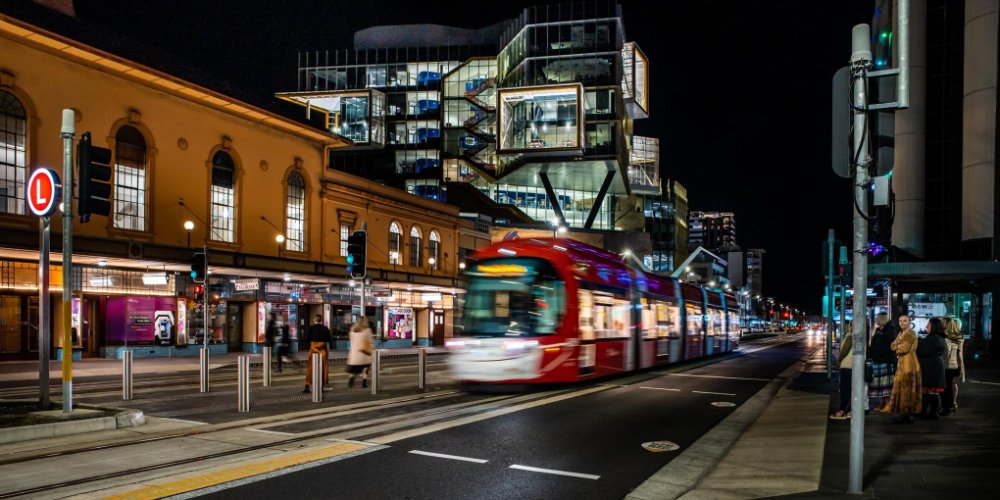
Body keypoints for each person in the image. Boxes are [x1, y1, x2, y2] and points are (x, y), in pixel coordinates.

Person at [887, 314, 921, 423]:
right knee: (903, 387)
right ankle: (904, 412)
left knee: (907, 387)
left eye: (905, 321)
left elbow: (903, 349)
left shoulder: (910, 333)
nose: (902, 323)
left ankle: (907, 412)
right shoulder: (901, 333)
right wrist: (896, 345)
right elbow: (892, 346)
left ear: (909, 322)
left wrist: (896, 345)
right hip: (902, 362)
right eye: (900, 321)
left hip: (909, 362)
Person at [916, 317, 947, 419]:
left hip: (931, 368)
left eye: (928, 325)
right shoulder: (939, 337)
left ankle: (931, 413)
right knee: (927, 391)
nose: (926, 327)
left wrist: (919, 343)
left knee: (931, 391)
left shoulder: (934, 338)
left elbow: (923, 351)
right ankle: (927, 412)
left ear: (933, 326)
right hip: (932, 367)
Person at [869, 313, 898, 412]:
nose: (876, 320)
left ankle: (888, 404)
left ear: (882, 319)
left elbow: (890, 347)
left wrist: (878, 354)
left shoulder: (889, 330)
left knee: (886, 385)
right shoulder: (879, 330)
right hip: (879, 360)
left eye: (878, 318)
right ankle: (882, 403)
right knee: (880, 385)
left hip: (886, 361)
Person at [941, 317, 966, 415]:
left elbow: (946, 354)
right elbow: (960, 353)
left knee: (946, 387)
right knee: (953, 384)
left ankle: (949, 406)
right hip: (957, 364)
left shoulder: (946, 338)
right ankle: (954, 403)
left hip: (947, 365)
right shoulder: (960, 337)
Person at [303, 314, 333, 393]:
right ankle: (321, 386)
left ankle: (307, 385)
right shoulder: (326, 329)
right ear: (321, 320)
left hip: (313, 349)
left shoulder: (311, 328)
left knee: (310, 368)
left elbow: (306, 339)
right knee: (323, 368)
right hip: (323, 350)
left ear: (314, 320)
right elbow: (330, 340)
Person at [831, 322, 854, 420]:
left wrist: (839, 360)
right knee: (850, 389)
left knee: (845, 389)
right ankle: (849, 410)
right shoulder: (856, 336)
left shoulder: (849, 337)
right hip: (852, 366)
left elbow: (843, 352)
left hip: (847, 366)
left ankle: (843, 410)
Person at [347, 317, 374, 388]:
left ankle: (351, 378)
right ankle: (364, 382)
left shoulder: (352, 329)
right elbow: (370, 341)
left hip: (354, 353)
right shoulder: (367, 330)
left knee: (353, 368)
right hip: (364, 353)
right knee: (365, 367)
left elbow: (351, 340)